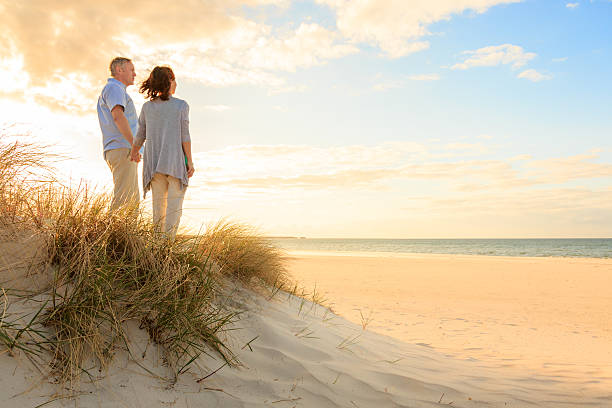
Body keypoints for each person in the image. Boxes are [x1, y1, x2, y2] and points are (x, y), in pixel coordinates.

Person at [130, 66, 194, 237]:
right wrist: (190, 162)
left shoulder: (147, 108)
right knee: (174, 211)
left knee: (158, 211)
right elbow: (185, 137)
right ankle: (168, 250)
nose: (176, 83)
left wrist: (134, 152)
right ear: (169, 82)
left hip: (155, 166)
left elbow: (140, 135)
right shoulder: (181, 106)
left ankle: (157, 251)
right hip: (174, 164)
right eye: (173, 79)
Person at [97, 57, 140, 210]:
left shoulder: (116, 89)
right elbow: (118, 116)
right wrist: (134, 145)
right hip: (123, 149)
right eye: (131, 70)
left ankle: (122, 234)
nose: (135, 74)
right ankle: (112, 234)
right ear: (119, 70)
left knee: (131, 201)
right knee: (125, 201)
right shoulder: (114, 88)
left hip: (122, 149)